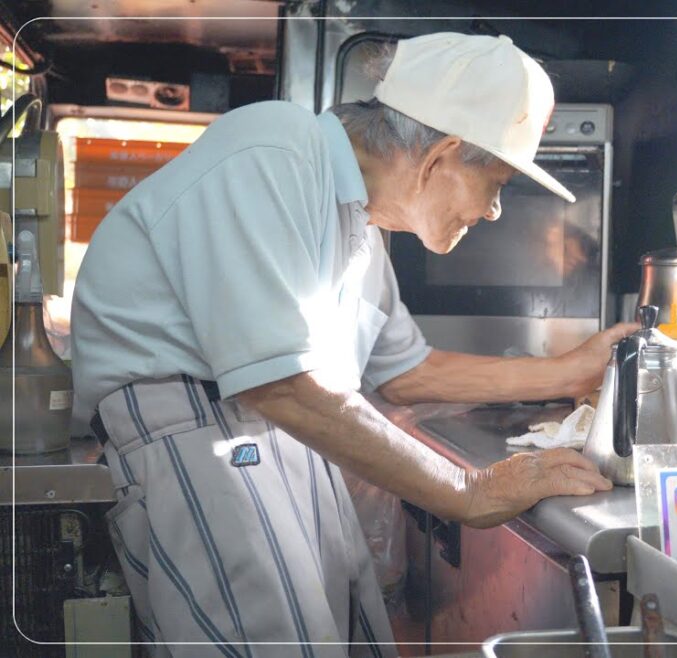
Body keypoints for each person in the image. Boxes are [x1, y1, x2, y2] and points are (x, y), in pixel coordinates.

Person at [71, 32, 633, 656]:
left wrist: (570, 372)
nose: (496, 210)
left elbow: (406, 373)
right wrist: (470, 492)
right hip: (204, 437)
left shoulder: (360, 226)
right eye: (497, 181)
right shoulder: (274, 150)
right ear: (441, 156)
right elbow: (281, 387)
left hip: (289, 435)